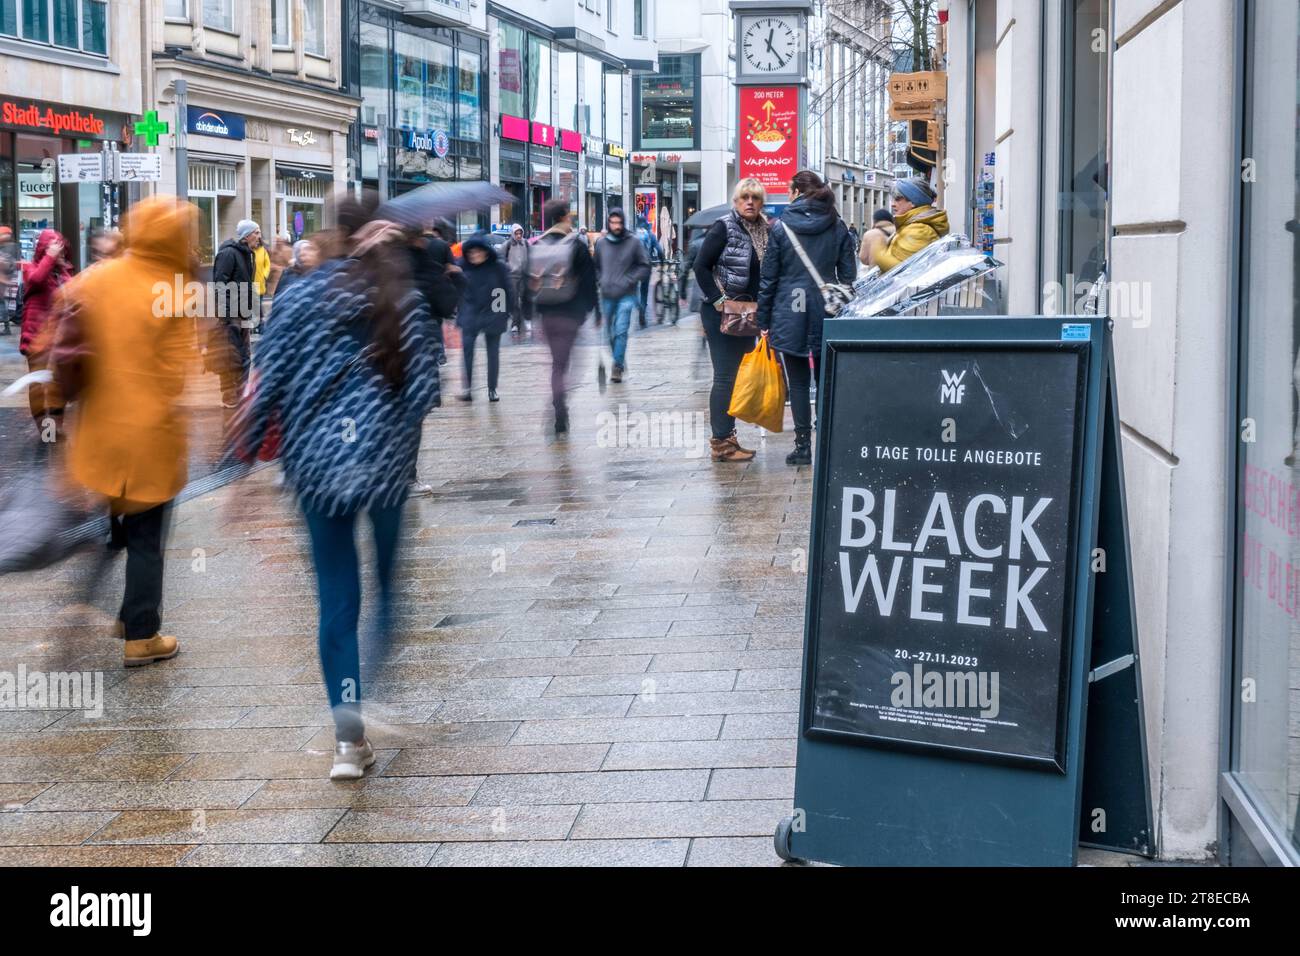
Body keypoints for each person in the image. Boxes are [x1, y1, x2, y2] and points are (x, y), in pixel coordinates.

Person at [238, 193, 440, 780]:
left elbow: (267, 381)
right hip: (384, 470)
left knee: (336, 600)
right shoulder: (405, 299)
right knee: (386, 589)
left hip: (316, 469)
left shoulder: (297, 296)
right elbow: (424, 392)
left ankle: (348, 740)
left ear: (336, 234)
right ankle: (372, 688)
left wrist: (244, 462)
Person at [57, 197, 197, 667]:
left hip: (100, 431)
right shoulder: (173, 289)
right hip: (149, 435)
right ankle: (141, 634)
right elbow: (176, 373)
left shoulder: (99, 276)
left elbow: (61, 334)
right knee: (145, 538)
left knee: (115, 525)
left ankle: (92, 606)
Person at [756, 169, 856, 466]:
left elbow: (768, 278)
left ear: (797, 192)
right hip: (827, 310)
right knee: (826, 379)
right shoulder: (837, 225)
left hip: (790, 310)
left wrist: (763, 320)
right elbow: (849, 276)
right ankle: (826, 441)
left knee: (798, 383)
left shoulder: (781, 227)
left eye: (789, 189)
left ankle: (802, 447)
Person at [694, 178, 771, 462]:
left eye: (755, 197)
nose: (749, 202)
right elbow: (700, 266)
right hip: (722, 312)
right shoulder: (724, 227)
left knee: (737, 376)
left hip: (747, 312)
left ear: (762, 202)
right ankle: (721, 444)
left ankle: (729, 437)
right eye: (744, 197)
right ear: (736, 201)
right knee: (725, 377)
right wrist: (717, 300)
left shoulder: (764, 229)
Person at [530, 198, 598, 435]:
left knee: (556, 363)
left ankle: (559, 402)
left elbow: (527, 282)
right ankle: (559, 405)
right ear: (564, 216)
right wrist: (592, 310)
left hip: (546, 312)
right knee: (567, 365)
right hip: (570, 312)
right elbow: (590, 281)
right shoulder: (576, 245)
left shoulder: (537, 243)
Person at [18, 228, 74, 439]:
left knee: (58, 383)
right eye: (53, 248)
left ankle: (56, 425)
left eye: (60, 248)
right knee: (39, 384)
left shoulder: (62, 271)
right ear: (45, 248)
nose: (59, 252)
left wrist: (63, 267)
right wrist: (50, 258)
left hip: (59, 338)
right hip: (36, 337)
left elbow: (73, 293)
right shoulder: (32, 268)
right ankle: (46, 430)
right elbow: (36, 280)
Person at [592, 208, 651, 384]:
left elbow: (645, 266)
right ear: (608, 223)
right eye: (613, 223)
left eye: (619, 223)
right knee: (609, 332)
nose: (616, 226)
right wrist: (600, 279)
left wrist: (630, 279)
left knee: (621, 330)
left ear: (623, 223)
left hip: (627, 294)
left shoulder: (633, 242)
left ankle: (617, 366)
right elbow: (595, 267)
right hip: (607, 294)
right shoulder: (601, 244)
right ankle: (619, 357)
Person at [455, 235, 513, 402]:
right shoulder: (462, 268)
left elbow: (505, 291)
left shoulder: (498, 268)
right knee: (467, 351)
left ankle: (492, 389)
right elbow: (457, 291)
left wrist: (503, 314)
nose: (475, 255)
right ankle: (468, 389)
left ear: (486, 252)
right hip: (470, 313)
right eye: (471, 252)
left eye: (478, 251)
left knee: (493, 352)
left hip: (492, 312)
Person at [211, 219, 260, 408]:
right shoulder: (228, 253)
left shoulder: (248, 254)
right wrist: (224, 315)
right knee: (230, 357)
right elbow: (220, 284)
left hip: (243, 313)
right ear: (247, 236)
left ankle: (241, 393)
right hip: (231, 314)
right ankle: (229, 396)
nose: (259, 236)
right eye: (256, 233)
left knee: (245, 355)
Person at [862, 177, 949, 273]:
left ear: (913, 202)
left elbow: (904, 270)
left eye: (898, 199)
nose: (893, 204)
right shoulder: (913, 226)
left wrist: (878, 249)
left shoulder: (919, 230)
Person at [502, 223, 531, 337]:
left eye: (520, 233)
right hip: (512, 276)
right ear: (513, 234)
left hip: (524, 275)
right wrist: (508, 267)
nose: (519, 235)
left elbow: (532, 255)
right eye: (516, 233)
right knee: (514, 301)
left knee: (524, 299)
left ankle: (525, 320)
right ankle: (515, 324)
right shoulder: (508, 244)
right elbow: (500, 258)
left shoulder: (526, 243)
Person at [634, 218, 662, 326]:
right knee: (644, 290)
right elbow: (659, 250)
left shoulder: (634, 236)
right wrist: (662, 260)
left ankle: (638, 307)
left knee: (633, 289)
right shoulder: (651, 235)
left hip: (634, 266)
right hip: (646, 265)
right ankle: (643, 309)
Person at [271, 238, 319, 303]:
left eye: (309, 251)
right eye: (302, 254)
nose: (306, 256)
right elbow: (278, 297)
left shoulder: (318, 274)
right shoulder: (288, 274)